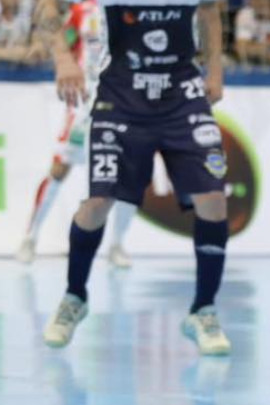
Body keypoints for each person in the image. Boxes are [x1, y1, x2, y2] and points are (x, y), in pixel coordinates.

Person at [34, 0, 232, 355]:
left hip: (182, 94)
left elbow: (209, 10)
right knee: (97, 203)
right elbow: (47, 7)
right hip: (121, 95)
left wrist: (215, 71)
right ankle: (74, 297)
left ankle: (203, 310)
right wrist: (63, 58)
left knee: (214, 199)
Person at [17, 0, 138, 268]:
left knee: (126, 174)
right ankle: (30, 237)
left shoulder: (134, 7)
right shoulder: (81, 10)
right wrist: (53, 53)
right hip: (85, 102)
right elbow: (60, 35)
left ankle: (118, 244)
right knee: (60, 167)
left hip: (125, 101)